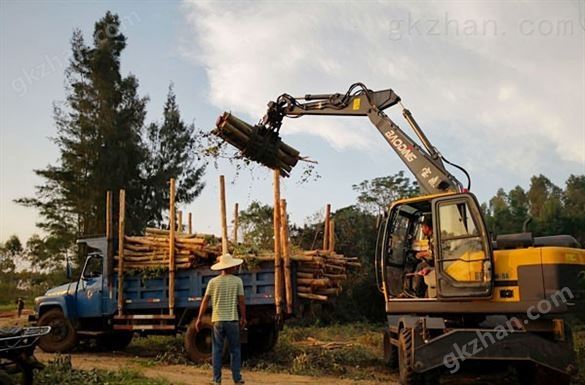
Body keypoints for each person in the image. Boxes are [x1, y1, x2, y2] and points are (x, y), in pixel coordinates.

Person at [195, 254, 247, 385]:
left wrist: (199, 318)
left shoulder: (213, 282)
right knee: (235, 350)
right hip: (232, 320)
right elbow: (241, 302)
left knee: (217, 350)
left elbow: (205, 301)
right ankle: (237, 379)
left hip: (217, 320)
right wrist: (243, 317)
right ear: (231, 266)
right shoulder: (237, 281)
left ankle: (216, 380)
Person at [413, 217, 434, 297]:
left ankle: (418, 294)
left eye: (422, 227)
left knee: (420, 266)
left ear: (427, 228)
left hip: (437, 264)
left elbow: (434, 252)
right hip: (434, 262)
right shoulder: (430, 237)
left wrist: (422, 254)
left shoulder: (434, 237)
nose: (421, 229)